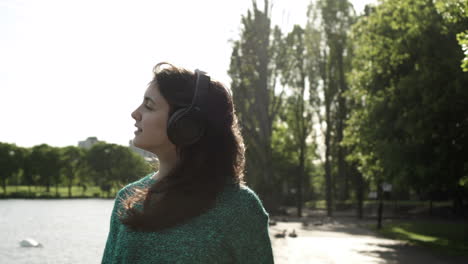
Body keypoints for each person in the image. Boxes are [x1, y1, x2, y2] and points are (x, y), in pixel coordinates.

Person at [101, 62, 274, 263]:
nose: (135, 113)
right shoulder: (127, 199)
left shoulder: (240, 207)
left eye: (149, 106)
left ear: (186, 125)